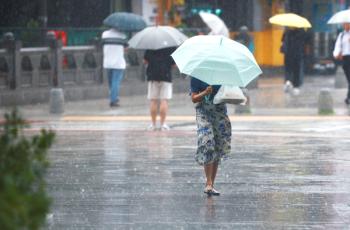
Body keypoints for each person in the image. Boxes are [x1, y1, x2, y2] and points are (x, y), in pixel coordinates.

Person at [190, 77, 232, 196]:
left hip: (219, 113)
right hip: (203, 112)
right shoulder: (196, 76)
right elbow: (194, 98)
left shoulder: (223, 76)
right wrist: (205, 92)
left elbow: (230, 95)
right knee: (207, 142)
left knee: (217, 146)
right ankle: (208, 183)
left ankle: (211, 185)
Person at [144, 47, 176, 131]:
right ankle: (163, 125)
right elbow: (174, 64)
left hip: (152, 76)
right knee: (164, 100)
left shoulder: (150, 46)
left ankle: (153, 124)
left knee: (153, 100)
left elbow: (145, 61)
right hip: (166, 76)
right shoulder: (170, 47)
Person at [102, 28, 127, 107]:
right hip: (118, 63)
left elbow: (102, 44)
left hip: (108, 62)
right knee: (115, 82)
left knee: (111, 82)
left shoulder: (104, 34)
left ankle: (113, 97)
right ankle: (113, 100)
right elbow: (125, 48)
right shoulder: (122, 35)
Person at [281, 28, 306, 95]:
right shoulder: (301, 31)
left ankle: (288, 81)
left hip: (288, 54)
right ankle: (296, 87)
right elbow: (305, 41)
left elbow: (282, 41)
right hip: (298, 54)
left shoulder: (287, 31)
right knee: (296, 71)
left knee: (288, 69)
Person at [333, 23, 350, 105]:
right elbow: (338, 46)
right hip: (345, 59)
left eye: (347, 24)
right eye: (344, 24)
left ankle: (348, 97)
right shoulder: (342, 35)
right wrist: (336, 54)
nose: (345, 25)